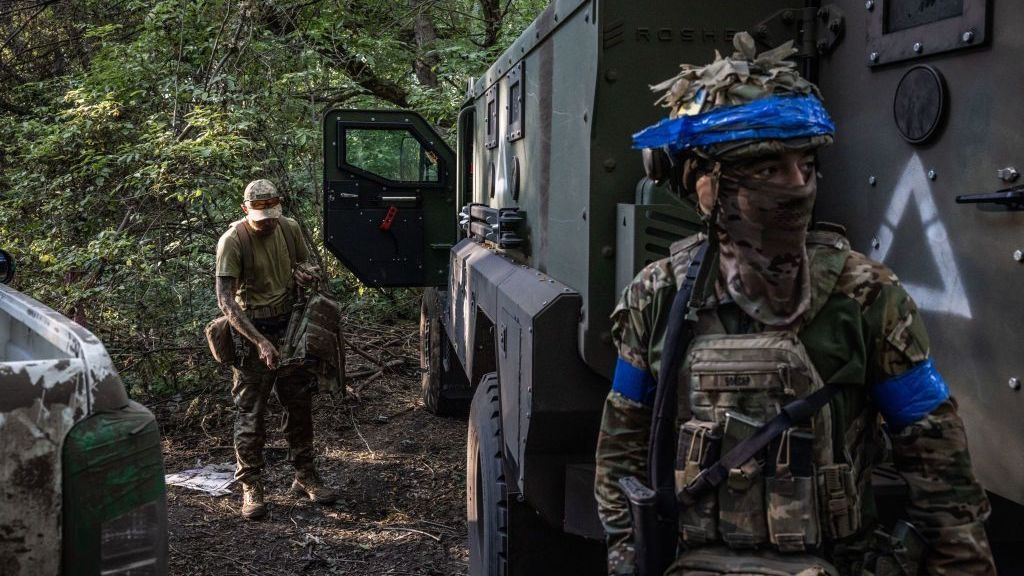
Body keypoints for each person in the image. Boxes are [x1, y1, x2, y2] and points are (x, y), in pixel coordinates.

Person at [594, 33, 995, 575]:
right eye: (767, 171)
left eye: (805, 165)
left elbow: (937, 464)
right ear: (706, 186)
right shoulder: (657, 295)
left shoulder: (866, 296)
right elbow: (621, 450)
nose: (797, 185)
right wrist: (629, 555)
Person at [215, 178, 338, 520]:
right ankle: (251, 484)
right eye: (261, 216)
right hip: (251, 331)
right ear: (245, 210)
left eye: (272, 214)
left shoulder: (289, 228)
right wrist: (259, 342)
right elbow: (226, 302)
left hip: (290, 326)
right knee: (250, 415)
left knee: (298, 405)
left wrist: (305, 273)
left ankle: (305, 474)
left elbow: (305, 264)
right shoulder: (233, 241)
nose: (268, 222)